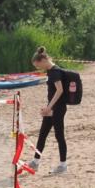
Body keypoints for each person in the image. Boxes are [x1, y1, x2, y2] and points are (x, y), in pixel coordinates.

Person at [26, 47, 69, 175]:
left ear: (44, 60)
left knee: (59, 135)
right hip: (52, 108)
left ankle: (63, 165)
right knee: (43, 134)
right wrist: (48, 107)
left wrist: (49, 107)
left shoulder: (55, 72)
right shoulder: (51, 71)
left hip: (58, 108)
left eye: (39, 66)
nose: (40, 68)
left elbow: (59, 90)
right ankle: (35, 162)